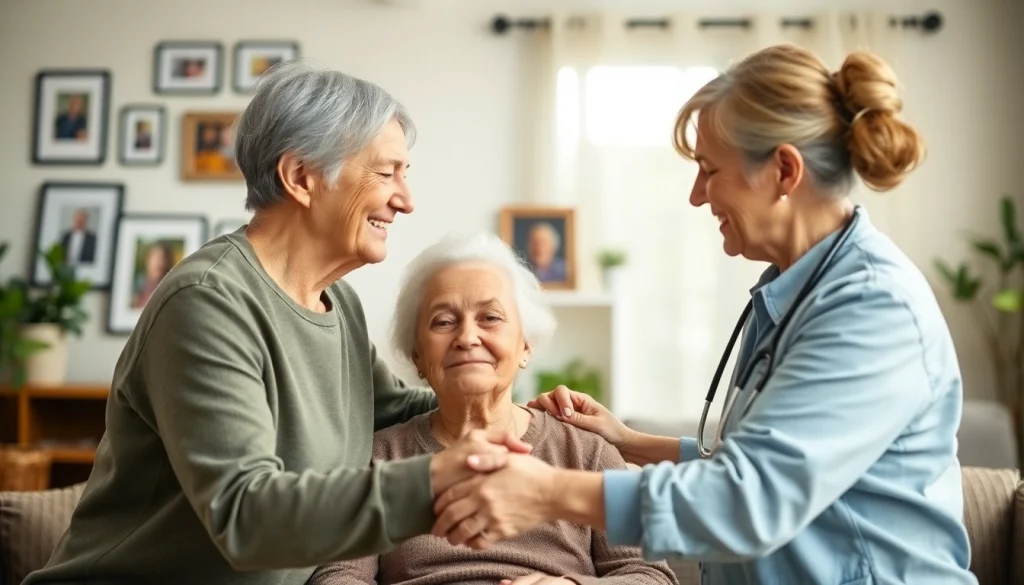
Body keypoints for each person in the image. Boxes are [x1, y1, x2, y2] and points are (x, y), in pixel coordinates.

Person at [428, 44, 978, 585]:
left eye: (710, 170)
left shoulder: (871, 309)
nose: (696, 196)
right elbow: (764, 457)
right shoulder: (791, 292)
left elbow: (748, 499)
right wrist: (629, 442)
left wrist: (545, 490)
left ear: (784, 171)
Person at [24, 61, 529, 585]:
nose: (405, 200)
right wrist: (437, 478)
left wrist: (533, 417)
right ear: (301, 178)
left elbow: (400, 409)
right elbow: (246, 515)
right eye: (386, 173)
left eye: (405, 175)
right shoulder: (208, 302)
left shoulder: (337, 304)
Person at [308, 232, 678, 585]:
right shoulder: (379, 456)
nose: (467, 337)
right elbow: (339, 576)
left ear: (526, 345)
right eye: (444, 322)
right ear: (417, 355)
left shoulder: (586, 450)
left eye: (490, 317)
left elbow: (651, 576)